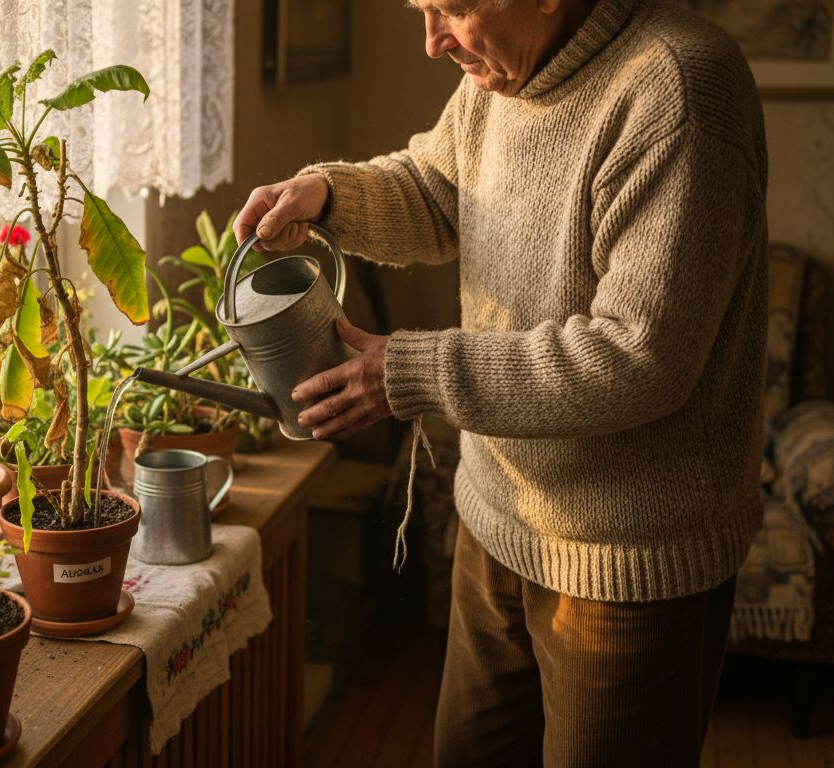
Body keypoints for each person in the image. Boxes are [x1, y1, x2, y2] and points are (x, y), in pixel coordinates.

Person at [234, 0, 768, 765]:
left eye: (450, 9)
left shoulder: (679, 89)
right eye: (422, 8)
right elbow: (437, 190)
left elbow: (638, 358)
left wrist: (410, 370)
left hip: (624, 567)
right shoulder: (506, 71)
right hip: (496, 524)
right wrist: (329, 197)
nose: (430, 40)